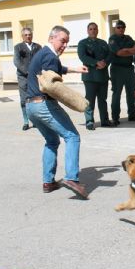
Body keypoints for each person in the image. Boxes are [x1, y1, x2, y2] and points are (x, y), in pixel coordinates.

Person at [25, 26, 89, 199]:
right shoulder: (50, 56)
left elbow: (55, 69)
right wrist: (75, 100)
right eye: (62, 41)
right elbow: (51, 84)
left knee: (52, 141)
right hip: (44, 104)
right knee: (72, 136)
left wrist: (75, 69)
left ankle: (48, 182)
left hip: (31, 107)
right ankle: (71, 178)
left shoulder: (43, 54)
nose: (64, 45)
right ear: (51, 38)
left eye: (67, 42)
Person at [78, 22, 115, 130]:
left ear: (97, 30)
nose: (93, 31)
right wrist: (96, 62)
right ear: (87, 31)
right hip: (90, 76)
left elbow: (110, 54)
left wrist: (105, 63)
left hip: (103, 75)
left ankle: (105, 121)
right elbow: (83, 56)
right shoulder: (83, 43)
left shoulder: (103, 43)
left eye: (95, 29)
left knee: (103, 100)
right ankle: (89, 121)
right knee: (90, 100)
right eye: (91, 29)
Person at [109, 20, 135, 126]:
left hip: (129, 69)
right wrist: (130, 50)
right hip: (117, 69)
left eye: (123, 27)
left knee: (131, 93)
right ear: (115, 28)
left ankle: (132, 114)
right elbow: (119, 53)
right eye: (118, 27)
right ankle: (115, 117)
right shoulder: (113, 39)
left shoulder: (128, 38)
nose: (121, 29)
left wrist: (126, 50)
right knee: (117, 94)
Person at [13, 27, 42, 131]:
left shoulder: (38, 47)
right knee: (24, 99)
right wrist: (27, 71)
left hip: (35, 77)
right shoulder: (18, 47)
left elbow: (41, 60)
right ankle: (26, 121)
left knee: (35, 98)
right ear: (22, 36)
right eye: (26, 35)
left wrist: (38, 71)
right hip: (23, 77)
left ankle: (35, 121)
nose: (28, 36)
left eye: (29, 34)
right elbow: (16, 61)